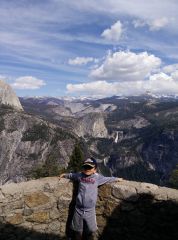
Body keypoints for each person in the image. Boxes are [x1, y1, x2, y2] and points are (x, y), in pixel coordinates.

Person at [59, 158, 123, 240]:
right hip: (78, 209)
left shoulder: (97, 178)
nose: (87, 169)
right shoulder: (80, 175)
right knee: (78, 230)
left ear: (95, 170)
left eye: (89, 167)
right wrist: (65, 174)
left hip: (90, 210)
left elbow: (108, 179)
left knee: (90, 230)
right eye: (85, 167)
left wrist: (116, 179)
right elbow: (72, 175)